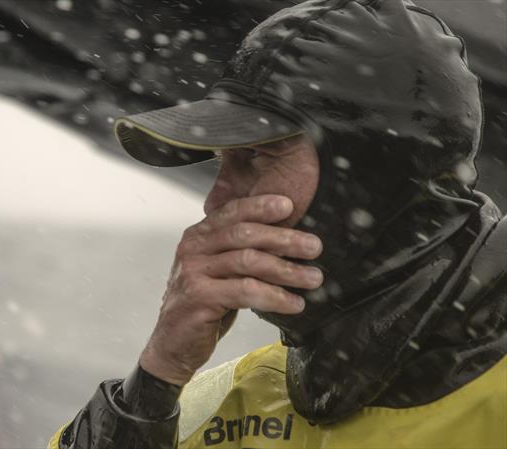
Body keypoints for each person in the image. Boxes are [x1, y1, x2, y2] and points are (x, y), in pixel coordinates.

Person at [48, 0, 506, 448]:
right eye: (221, 162)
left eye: (256, 157)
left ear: (373, 177)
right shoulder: (216, 407)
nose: (215, 200)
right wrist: (157, 375)